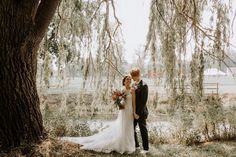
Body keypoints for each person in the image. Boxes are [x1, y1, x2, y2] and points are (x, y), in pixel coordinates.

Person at [62, 76, 138, 154]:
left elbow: (134, 102)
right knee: (123, 127)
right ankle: (122, 145)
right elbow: (118, 100)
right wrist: (119, 103)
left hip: (129, 111)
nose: (128, 80)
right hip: (123, 111)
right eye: (127, 79)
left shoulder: (132, 90)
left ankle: (128, 145)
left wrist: (134, 112)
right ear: (124, 81)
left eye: (129, 79)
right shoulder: (122, 89)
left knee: (129, 127)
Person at [130, 68, 149, 154]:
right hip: (133, 112)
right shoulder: (133, 85)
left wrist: (137, 114)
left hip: (141, 112)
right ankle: (136, 146)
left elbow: (143, 102)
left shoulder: (144, 85)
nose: (132, 78)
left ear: (137, 75)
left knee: (143, 129)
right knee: (131, 129)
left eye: (133, 76)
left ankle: (146, 148)